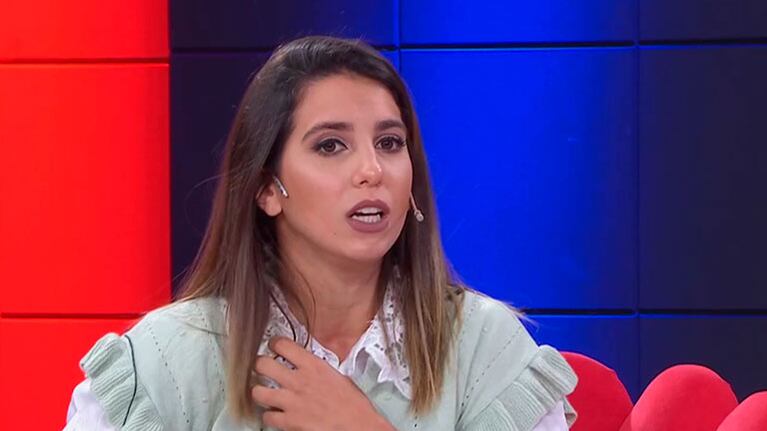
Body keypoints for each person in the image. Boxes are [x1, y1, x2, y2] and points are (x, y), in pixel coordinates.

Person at [64, 35, 577, 431]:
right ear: (267, 188)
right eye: (331, 146)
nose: (372, 171)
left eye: (390, 143)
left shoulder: (485, 348)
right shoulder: (165, 361)